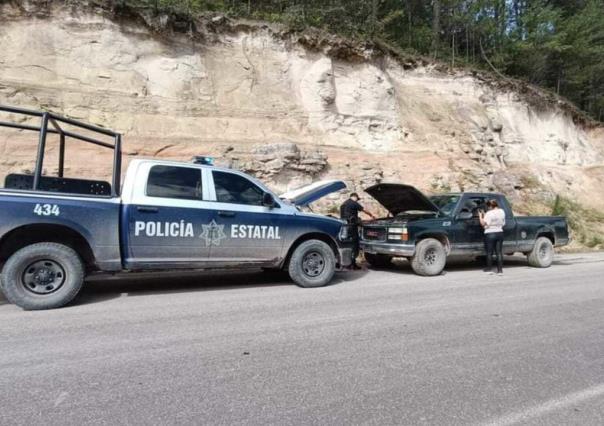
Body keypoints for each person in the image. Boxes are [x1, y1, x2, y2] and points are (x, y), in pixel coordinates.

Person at [340, 192, 376, 269]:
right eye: (357, 199)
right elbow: (364, 210)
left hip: (344, 227)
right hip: (352, 227)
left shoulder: (343, 204)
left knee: (346, 245)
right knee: (354, 245)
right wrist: (371, 215)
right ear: (355, 197)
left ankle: (345, 264)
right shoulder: (353, 203)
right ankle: (353, 264)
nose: (357, 201)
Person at [479, 199, 506, 275]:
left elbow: (483, 224)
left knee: (489, 253)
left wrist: (480, 216)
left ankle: (489, 269)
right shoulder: (502, 211)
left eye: (488, 206)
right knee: (499, 252)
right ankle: (500, 271)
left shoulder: (489, 213)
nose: (488, 208)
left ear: (490, 206)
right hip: (500, 232)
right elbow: (503, 223)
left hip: (490, 233)